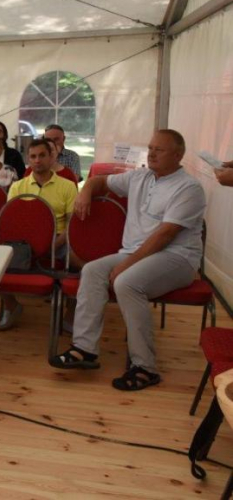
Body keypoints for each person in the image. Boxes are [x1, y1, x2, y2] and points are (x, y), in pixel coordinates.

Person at [50, 130, 206, 392]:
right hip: (135, 253)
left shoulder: (189, 188)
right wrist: (86, 191)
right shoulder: (140, 177)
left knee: (127, 283)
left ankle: (145, 367)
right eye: (151, 148)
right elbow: (99, 181)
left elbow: (166, 235)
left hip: (178, 257)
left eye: (160, 149)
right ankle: (85, 349)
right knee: (92, 271)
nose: (152, 153)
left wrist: (126, 264)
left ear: (178, 155)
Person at [0, 139, 78, 330]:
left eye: (42, 155)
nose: (37, 160)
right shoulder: (18, 187)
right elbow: (11, 223)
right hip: (23, 243)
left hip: (58, 241)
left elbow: (72, 225)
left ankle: (71, 313)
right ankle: (11, 306)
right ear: (28, 160)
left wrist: (53, 245)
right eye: (33, 156)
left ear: (51, 157)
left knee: (79, 260)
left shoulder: (67, 186)